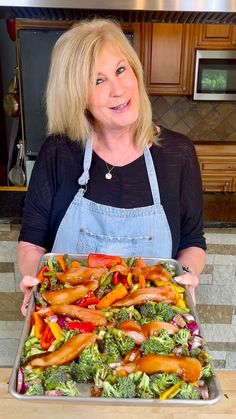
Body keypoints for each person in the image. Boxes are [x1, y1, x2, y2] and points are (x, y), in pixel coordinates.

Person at [18, 18, 206, 316]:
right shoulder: (58, 153)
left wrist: (186, 275)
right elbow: (31, 243)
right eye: (98, 80)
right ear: (78, 96)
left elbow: (193, 242)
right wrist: (36, 279)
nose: (117, 89)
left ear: (135, 70)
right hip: (70, 315)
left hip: (149, 320)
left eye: (121, 70)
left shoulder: (178, 154)